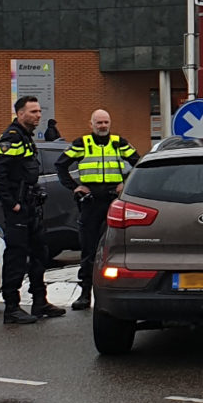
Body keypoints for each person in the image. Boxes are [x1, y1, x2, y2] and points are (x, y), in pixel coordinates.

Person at [56, 107, 140, 311]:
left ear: (110, 123)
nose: (103, 126)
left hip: (114, 200)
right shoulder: (82, 143)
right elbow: (60, 165)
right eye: (99, 122)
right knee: (88, 249)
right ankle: (85, 294)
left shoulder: (118, 143)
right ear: (91, 124)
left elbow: (139, 163)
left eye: (106, 122)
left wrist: (125, 184)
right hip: (91, 201)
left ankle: (119, 293)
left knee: (118, 247)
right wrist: (74, 186)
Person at [0, 96, 64, 324]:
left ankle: (39, 301)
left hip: (31, 206)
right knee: (16, 256)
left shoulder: (26, 138)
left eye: (39, 111)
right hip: (18, 209)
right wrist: (12, 204)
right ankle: (12, 308)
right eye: (33, 111)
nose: (38, 115)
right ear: (20, 113)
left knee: (39, 253)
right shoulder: (11, 138)